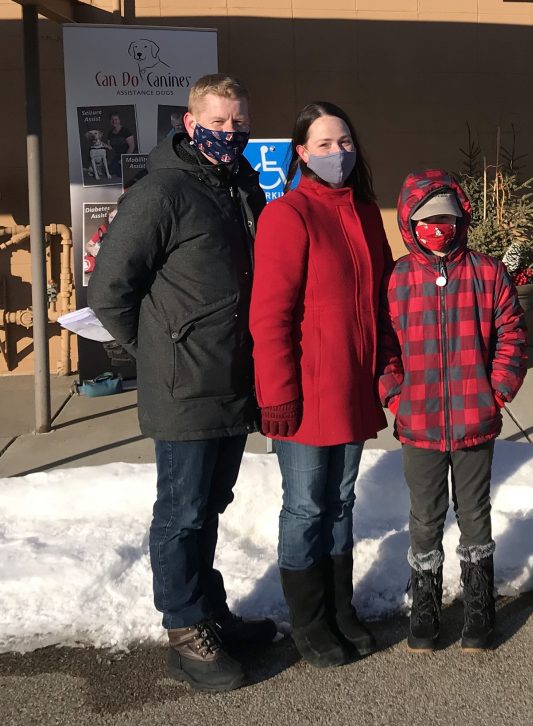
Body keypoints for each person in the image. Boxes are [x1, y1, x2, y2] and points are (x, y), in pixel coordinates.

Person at [88, 74, 275, 692]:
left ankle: (206, 609)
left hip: (231, 380)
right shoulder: (162, 192)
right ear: (191, 124)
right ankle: (183, 631)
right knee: (181, 512)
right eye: (219, 123)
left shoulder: (241, 187)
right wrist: (158, 352)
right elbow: (109, 290)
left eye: (239, 123)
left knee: (209, 507)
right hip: (183, 386)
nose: (231, 133)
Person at [249, 102, 391, 667]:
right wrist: (277, 392)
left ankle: (340, 607)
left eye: (346, 142)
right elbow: (270, 316)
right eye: (325, 144)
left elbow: (377, 304)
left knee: (340, 503)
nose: (339, 153)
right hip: (306, 396)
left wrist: (387, 366)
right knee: (306, 508)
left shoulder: (363, 212)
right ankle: (308, 621)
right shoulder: (288, 215)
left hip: (353, 387)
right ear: (301, 153)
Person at [378, 170, 527, 653]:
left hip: (474, 421)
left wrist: (497, 391)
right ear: (410, 224)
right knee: (424, 518)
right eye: (426, 220)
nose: (437, 228)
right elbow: (384, 348)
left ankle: (478, 602)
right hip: (418, 425)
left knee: (475, 514)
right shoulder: (398, 279)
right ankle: (425, 601)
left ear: (461, 220)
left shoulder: (487, 273)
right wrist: (397, 395)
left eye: (447, 218)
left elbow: (511, 333)